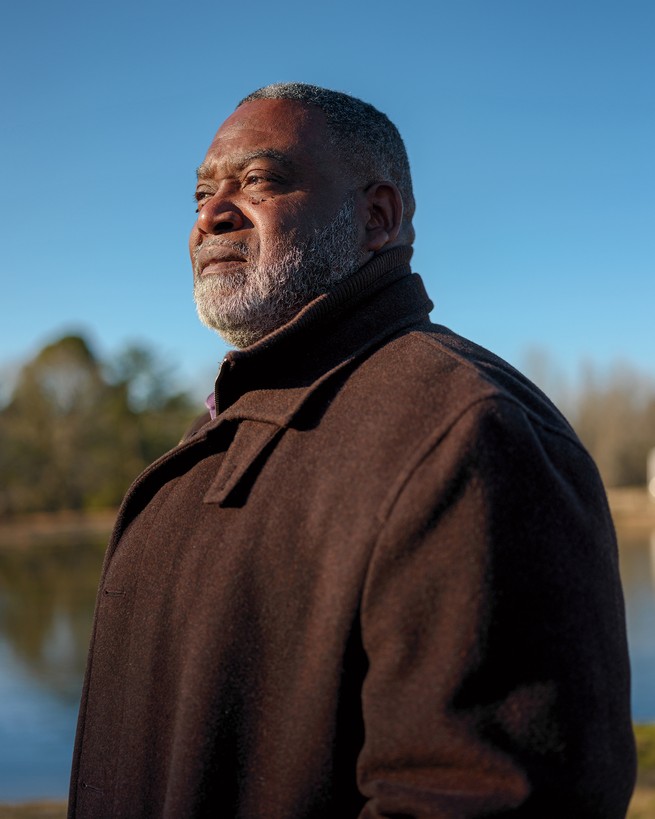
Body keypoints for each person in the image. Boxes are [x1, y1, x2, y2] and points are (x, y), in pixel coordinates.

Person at [69, 83, 636, 818]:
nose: (210, 214)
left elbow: (484, 796)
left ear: (376, 218)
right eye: (202, 193)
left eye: (260, 180)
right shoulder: (228, 424)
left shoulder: (467, 430)